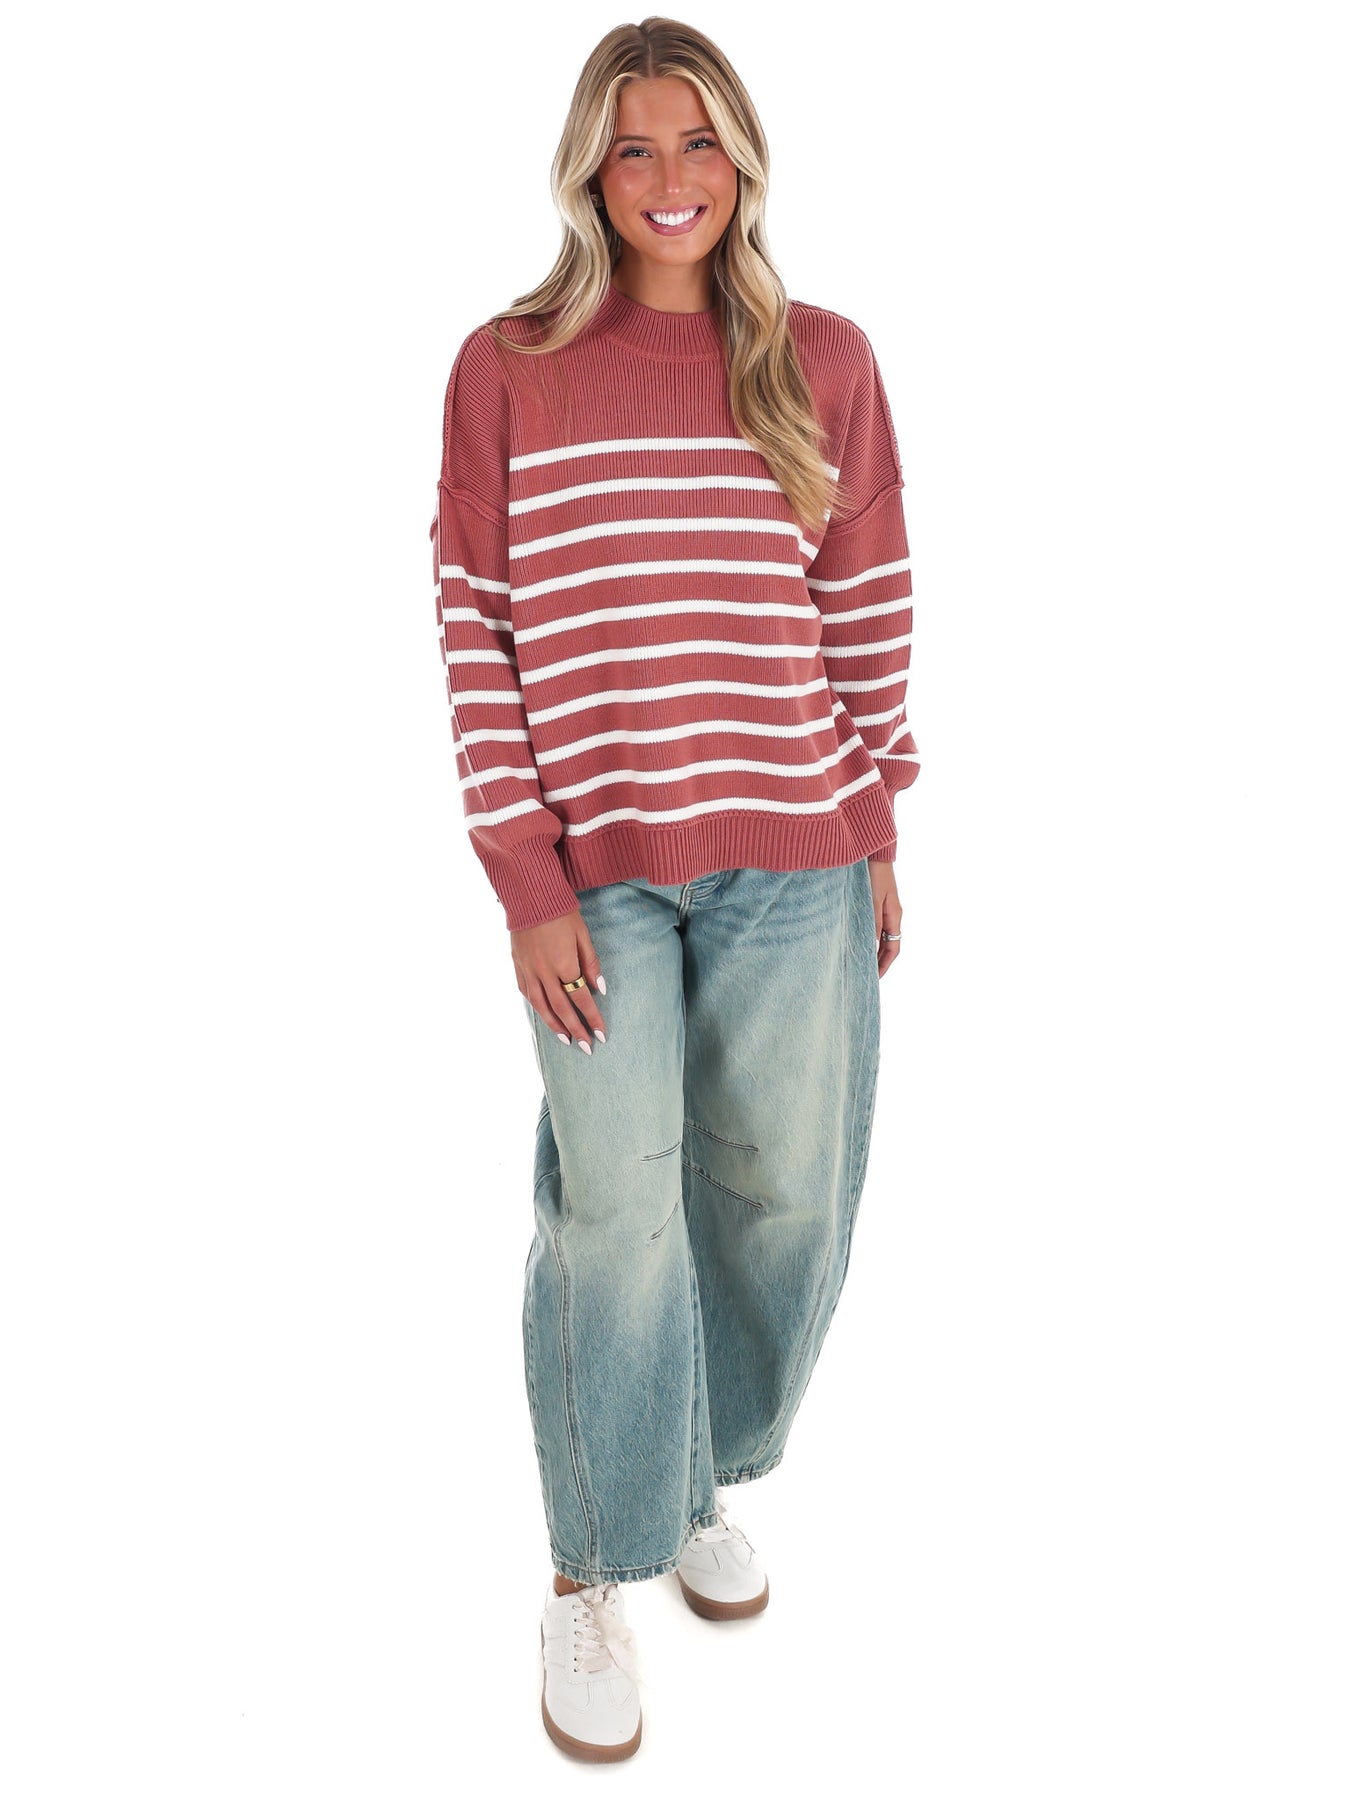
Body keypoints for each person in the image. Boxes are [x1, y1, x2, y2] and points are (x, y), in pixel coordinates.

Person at [430, 16, 920, 1764]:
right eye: (632, 145)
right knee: (614, 1210)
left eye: (696, 141)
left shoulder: (823, 360)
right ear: (588, 168)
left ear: (741, 161)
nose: (666, 178)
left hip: (798, 853)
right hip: (599, 875)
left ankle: (689, 1467)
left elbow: (867, 606)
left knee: (783, 1197)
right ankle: (589, 1565)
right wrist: (525, 878)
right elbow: (474, 623)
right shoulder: (510, 366)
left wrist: (878, 826)